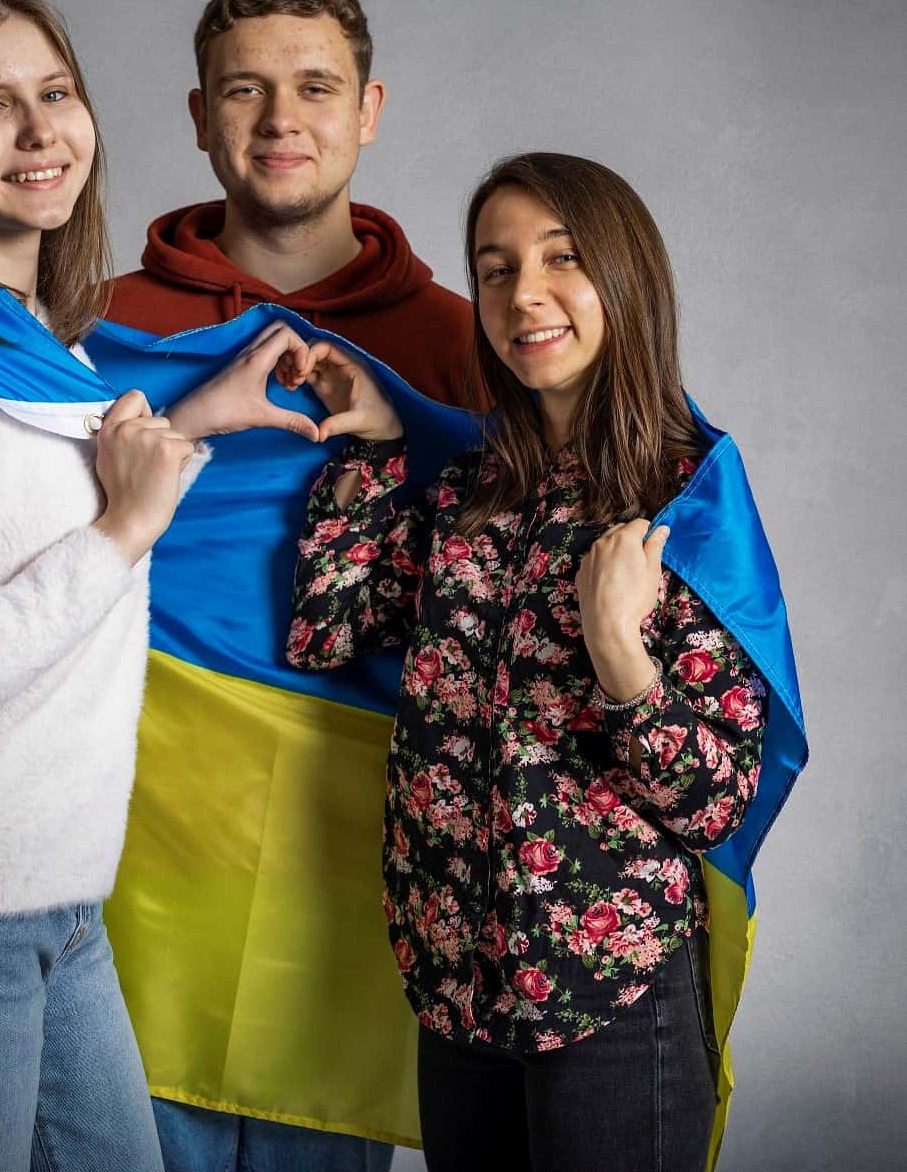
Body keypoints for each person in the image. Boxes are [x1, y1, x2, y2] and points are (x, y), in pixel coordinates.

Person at [0, 0, 309, 1172]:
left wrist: (202, 417)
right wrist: (122, 534)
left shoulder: (38, 346)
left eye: (56, 92)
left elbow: (49, 509)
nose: (43, 133)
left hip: (54, 905)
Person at [282, 153, 770, 1172]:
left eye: (562, 258)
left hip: (608, 996)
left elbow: (717, 802)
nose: (523, 293)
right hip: (456, 992)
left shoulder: (686, 502)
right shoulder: (468, 490)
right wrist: (371, 450)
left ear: (624, 279)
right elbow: (326, 634)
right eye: (492, 267)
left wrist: (616, 656)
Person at [103, 0, 484, 1172]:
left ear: (368, 108)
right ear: (198, 115)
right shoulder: (97, 320)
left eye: (315, 87)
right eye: (244, 91)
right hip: (135, 829)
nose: (280, 121)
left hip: (355, 838)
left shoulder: (464, 341)